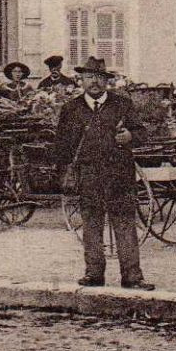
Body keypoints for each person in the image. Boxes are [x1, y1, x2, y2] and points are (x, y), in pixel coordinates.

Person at [55, 57, 153, 290]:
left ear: (107, 81)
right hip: (88, 175)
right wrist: (64, 174)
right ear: (81, 80)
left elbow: (142, 133)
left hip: (119, 174)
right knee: (91, 224)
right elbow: (61, 146)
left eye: (99, 77)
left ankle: (132, 277)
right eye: (89, 77)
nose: (94, 82)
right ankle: (93, 274)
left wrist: (130, 136)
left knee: (125, 224)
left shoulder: (122, 104)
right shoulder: (71, 109)